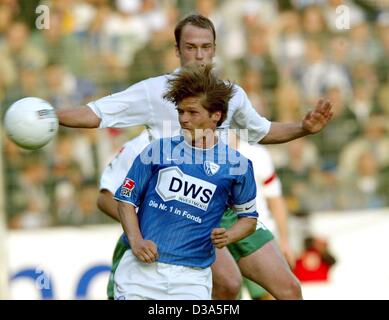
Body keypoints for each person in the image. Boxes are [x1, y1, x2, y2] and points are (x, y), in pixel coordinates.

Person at [56, 14, 332, 299]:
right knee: (227, 283)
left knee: (289, 289)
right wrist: (50, 117)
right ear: (177, 50)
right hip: (179, 211)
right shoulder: (154, 92)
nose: (199, 55)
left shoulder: (231, 95)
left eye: (205, 47)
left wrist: (303, 127)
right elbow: (97, 113)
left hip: (224, 209)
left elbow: (260, 131)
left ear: (214, 48)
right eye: (190, 47)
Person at [113, 64, 258, 299]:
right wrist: (136, 241)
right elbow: (125, 200)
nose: (184, 119)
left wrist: (229, 236)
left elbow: (249, 219)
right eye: (180, 112)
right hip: (141, 274)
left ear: (216, 115)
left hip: (192, 278)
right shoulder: (157, 150)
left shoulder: (237, 165)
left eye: (193, 113)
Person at [231, 136, 295, 299]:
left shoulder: (257, 154)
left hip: (258, 236)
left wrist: (284, 241)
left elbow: (275, 199)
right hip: (223, 239)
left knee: (270, 294)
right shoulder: (202, 154)